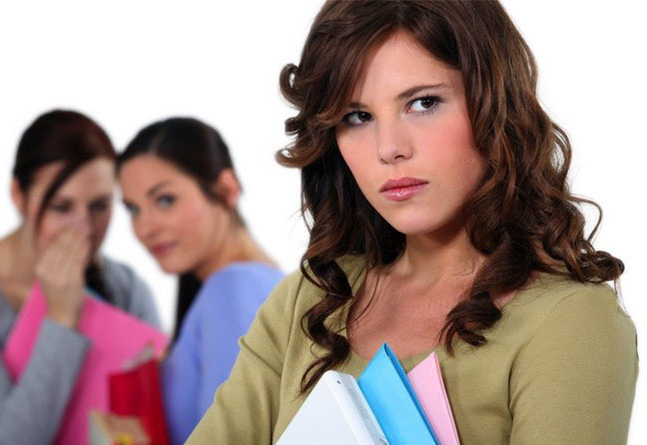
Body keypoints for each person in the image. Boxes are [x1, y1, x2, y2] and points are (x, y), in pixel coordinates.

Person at [188, 1, 638, 443]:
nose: (389, 148)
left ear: (494, 104)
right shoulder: (308, 301)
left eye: (423, 103)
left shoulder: (570, 321)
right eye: (358, 117)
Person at [0, 110, 161, 445]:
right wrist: (61, 318)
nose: (84, 229)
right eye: (61, 207)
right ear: (18, 195)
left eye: (100, 206)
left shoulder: (127, 289)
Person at [116, 117, 284, 444]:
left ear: (226, 189)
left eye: (165, 200)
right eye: (133, 209)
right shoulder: (260, 286)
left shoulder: (231, 289)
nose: (145, 227)